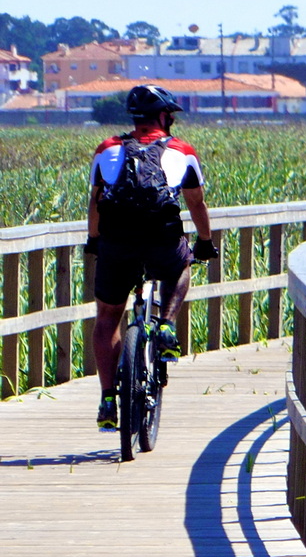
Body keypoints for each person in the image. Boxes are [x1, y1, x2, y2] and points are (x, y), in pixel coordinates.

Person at [87, 84, 217, 430]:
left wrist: (94, 241)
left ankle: (107, 398)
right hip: (161, 240)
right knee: (182, 263)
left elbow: (96, 201)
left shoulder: (107, 148)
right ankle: (166, 325)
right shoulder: (181, 150)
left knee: (107, 317)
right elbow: (195, 203)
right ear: (164, 117)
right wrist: (204, 242)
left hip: (117, 243)